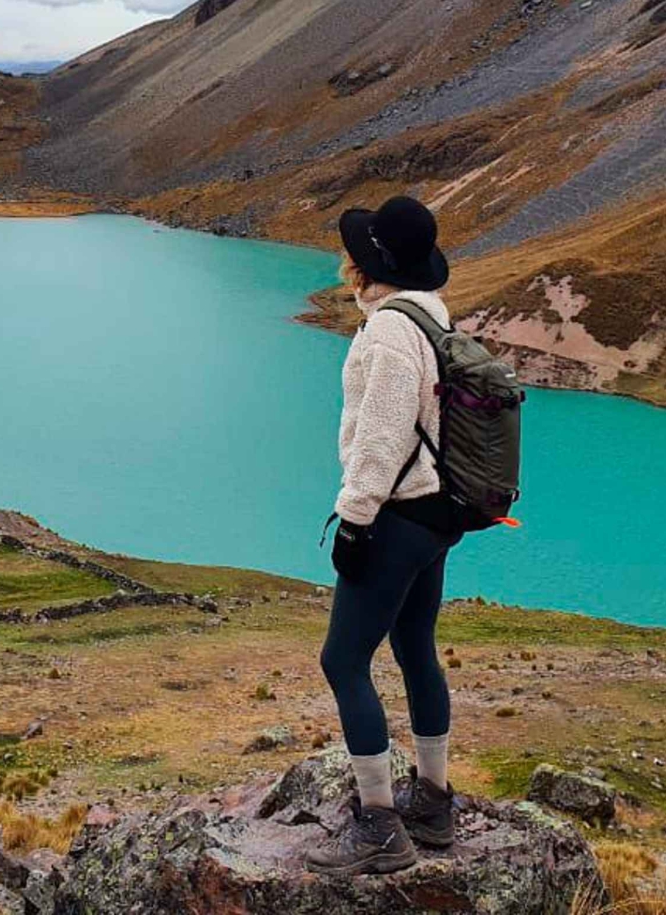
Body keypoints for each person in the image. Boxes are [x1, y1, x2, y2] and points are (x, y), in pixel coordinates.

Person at [304, 195, 461, 876]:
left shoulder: (390, 332)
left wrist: (355, 517)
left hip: (396, 514)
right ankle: (433, 798)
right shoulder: (431, 314)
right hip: (436, 511)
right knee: (413, 643)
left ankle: (380, 828)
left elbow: (383, 436)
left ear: (370, 265)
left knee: (343, 661)